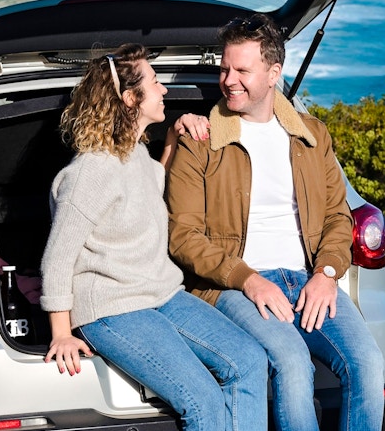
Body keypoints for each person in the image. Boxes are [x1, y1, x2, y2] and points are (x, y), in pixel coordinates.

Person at [166, 15, 385, 431]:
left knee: (369, 363)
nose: (229, 80)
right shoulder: (202, 141)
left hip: (308, 280)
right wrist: (248, 279)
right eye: (225, 68)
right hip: (233, 285)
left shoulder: (312, 135)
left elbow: (339, 216)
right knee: (292, 362)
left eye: (242, 70)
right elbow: (183, 237)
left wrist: (327, 272)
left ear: (273, 73)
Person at [40, 43, 267, 431]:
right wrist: (61, 334)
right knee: (204, 401)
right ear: (130, 98)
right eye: (156, 82)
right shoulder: (90, 172)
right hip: (113, 308)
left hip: (160, 295)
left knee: (249, 362)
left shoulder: (135, 156)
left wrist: (175, 140)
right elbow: (57, 259)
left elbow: (150, 185)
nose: (164, 91)